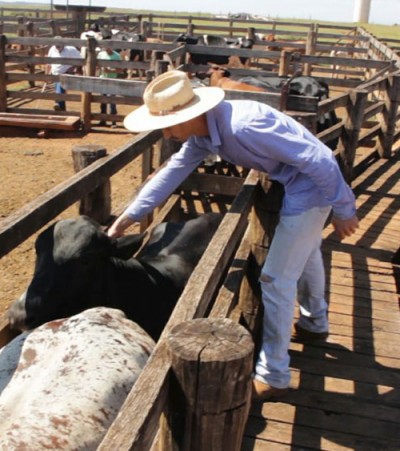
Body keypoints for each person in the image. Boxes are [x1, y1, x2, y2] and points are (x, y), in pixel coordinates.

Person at [107, 70, 360, 401]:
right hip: (295, 180)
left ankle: (274, 375)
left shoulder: (242, 125)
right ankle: (314, 323)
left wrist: (344, 209)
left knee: (275, 279)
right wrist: (128, 218)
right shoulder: (203, 135)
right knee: (307, 250)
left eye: (169, 124)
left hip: (311, 186)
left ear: (193, 113)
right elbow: (172, 172)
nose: (167, 134)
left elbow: (320, 159)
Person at [45, 38, 82, 112]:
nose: (57, 47)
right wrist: (46, 75)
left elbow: (80, 60)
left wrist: (73, 67)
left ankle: (57, 103)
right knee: (59, 90)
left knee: (60, 87)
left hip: (66, 73)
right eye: (56, 46)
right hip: (55, 73)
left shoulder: (71, 50)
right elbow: (48, 63)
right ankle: (62, 110)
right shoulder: (52, 49)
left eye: (59, 46)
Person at [97, 45, 122, 128]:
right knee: (102, 100)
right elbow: (98, 65)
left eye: (108, 48)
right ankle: (103, 119)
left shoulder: (117, 56)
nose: (107, 50)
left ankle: (113, 120)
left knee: (112, 100)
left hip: (112, 79)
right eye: (105, 48)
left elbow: (120, 70)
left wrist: (110, 70)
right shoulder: (101, 54)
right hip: (102, 79)